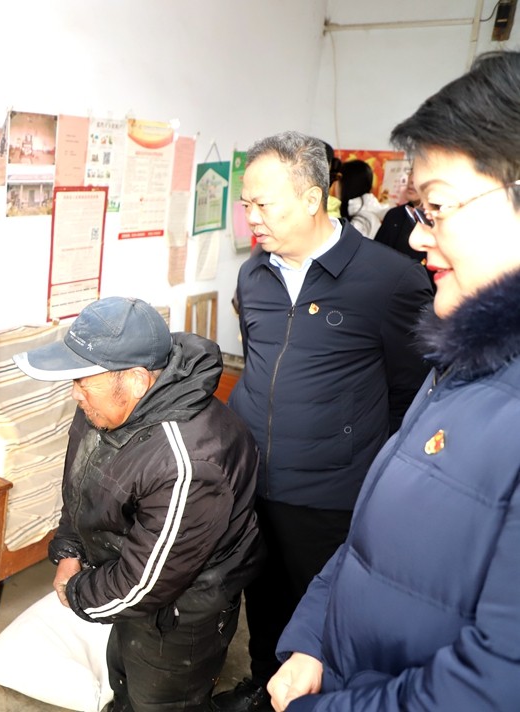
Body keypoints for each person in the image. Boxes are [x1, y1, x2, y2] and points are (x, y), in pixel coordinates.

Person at [266, 49, 520, 712]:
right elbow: (370, 540)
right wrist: (314, 640)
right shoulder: (462, 364)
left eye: (438, 207)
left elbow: (494, 684)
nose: (415, 237)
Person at [212, 131, 433, 712]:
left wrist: (363, 461)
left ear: (313, 198)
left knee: (324, 617)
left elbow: (411, 393)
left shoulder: (389, 280)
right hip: (254, 481)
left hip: (332, 496)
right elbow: (262, 363)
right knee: (262, 599)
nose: (251, 217)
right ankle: (262, 687)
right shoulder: (254, 275)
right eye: (246, 204)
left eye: (264, 204)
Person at [13, 297, 263, 712]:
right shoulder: (104, 407)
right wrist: (70, 549)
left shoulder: (188, 463)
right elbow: (80, 485)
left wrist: (77, 593)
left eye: (83, 381)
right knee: (124, 677)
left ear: (135, 380)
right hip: (135, 583)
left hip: (182, 611)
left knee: (161, 700)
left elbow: (143, 584)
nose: (75, 394)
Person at [373, 167, 428, 267]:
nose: (412, 180)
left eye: (422, 173)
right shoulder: (394, 215)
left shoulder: (439, 223)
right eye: (411, 172)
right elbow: (374, 258)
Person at [338, 159, 387, 237]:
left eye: (338, 180)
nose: (335, 185)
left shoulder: (361, 221)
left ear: (346, 184)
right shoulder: (364, 211)